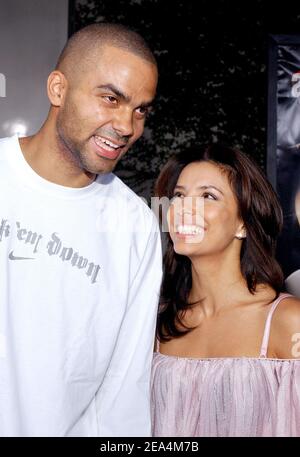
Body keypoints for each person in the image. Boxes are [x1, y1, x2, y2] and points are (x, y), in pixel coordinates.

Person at [0, 23, 162, 436]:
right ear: (58, 89)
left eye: (141, 109)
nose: (127, 126)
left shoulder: (135, 225)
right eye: (111, 99)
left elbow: (124, 389)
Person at [151, 144, 300, 437]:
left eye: (208, 196)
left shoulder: (288, 321)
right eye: (179, 196)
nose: (184, 209)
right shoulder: (155, 325)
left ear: (243, 222)